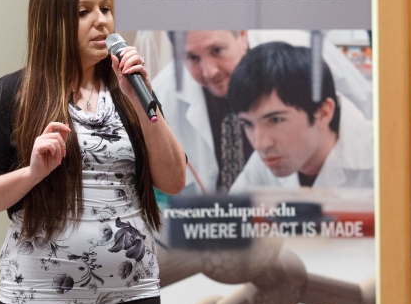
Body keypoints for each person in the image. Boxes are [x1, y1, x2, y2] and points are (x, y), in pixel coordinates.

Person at [0, 0, 187, 304]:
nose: (101, 20)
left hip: (131, 295)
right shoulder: (9, 94)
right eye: (84, 12)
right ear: (53, 22)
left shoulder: (130, 92)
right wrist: (32, 173)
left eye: (105, 8)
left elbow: (173, 180)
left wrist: (140, 101)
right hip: (43, 298)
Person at [149, 29, 372, 195]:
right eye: (192, 58)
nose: (209, 71)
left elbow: (372, 106)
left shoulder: (304, 52)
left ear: (242, 35)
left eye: (217, 50)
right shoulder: (163, 91)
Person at [226, 42, 373, 192]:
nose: (260, 144)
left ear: (323, 113)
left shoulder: (386, 155)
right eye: (248, 124)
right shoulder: (265, 161)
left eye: (275, 120)